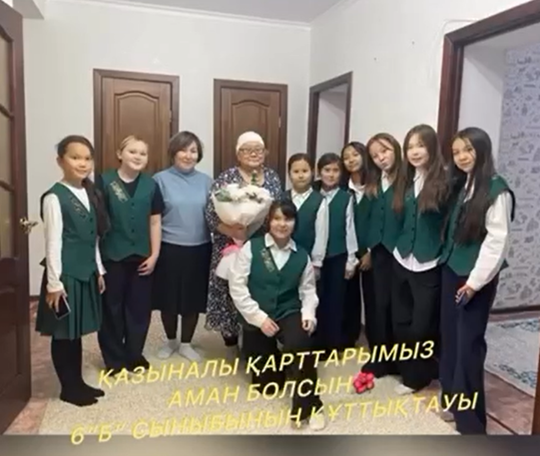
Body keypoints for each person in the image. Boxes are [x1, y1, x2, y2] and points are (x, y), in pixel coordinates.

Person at [439, 127, 515, 434]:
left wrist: (474, 282)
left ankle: (471, 424)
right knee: (450, 339)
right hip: (450, 269)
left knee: (468, 345)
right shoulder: (463, 184)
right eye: (456, 152)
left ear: (482, 150)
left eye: (467, 150)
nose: (461, 157)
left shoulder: (497, 190)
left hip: (473, 279)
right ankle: (451, 401)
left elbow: (497, 242)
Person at [228, 199, 326, 431]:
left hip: (287, 310)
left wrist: (308, 314)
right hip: (258, 313)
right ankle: (283, 363)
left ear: (295, 223)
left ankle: (311, 407)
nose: (282, 224)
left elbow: (308, 290)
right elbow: (237, 286)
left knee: (301, 345)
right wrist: (259, 318)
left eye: (288, 219)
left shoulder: (302, 256)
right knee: (267, 386)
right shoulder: (252, 248)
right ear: (268, 222)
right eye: (277, 219)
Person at [35, 135, 109, 406]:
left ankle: (77, 382)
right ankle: (68, 389)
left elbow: (93, 238)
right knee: (63, 333)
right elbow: (53, 242)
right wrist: (54, 284)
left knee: (75, 332)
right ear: (60, 161)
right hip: (65, 277)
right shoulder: (54, 197)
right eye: (75, 157)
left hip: (86, 271)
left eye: (87, 158)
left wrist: (99, 270)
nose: (83, 163)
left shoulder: (90, 192)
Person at [205, 131, 282, 347]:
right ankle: (230, 331)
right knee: (230, 286)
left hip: (263, 242)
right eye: (247, 150)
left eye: (258, 149)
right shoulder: (227, 177)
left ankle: (256, 333)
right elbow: (211, 212)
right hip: (231, 242)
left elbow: (278, 208)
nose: (254, 154)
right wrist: (234, 231)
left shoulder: (273, 177)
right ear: (238, 154)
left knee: (258, 286)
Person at [95, 135, 164, 375]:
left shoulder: (151, 185)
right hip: (112, 256)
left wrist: (155, 255)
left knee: (139, 309)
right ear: (120, 154)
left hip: (142, 257)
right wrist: (97, 263)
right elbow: (96, 222)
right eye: (132, 151)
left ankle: (134, 354)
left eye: (142, 153)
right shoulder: (104, 181)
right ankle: (114, 359)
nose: (137, 156)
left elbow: (155, 221)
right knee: (111, 309)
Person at [390, 125, 450, 394]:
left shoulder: (446, 182)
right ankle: (409, 374)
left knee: (422, 327)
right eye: (410, 147)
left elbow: (450, 224)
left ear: (432, 148)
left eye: (420, 146)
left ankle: (419, 377)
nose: (414, 152)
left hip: (428, 263)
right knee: (400, 321)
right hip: (402, 259)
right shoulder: (405, 180)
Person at [152, 131, 213, 362]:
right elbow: (154, 218)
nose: (188, 155)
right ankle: (170, 341)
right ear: (173, 153)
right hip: (168, 247)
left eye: (193, 151)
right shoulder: (159, 180)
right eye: (183, 150)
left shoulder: (207, 181)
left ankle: (186, 343)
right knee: (168, 299)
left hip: (200, 247)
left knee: (192, 299)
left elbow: (215, 216)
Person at [362, 133, 404, 377]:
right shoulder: (375, 181)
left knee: (399, 308)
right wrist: (368, 250)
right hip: (378, 252)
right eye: (375, 155)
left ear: (396, 149)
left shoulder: (408, 180)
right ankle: (379, 357)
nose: (381, 158)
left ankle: (399, 361)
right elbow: (369, 219)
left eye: (385, 151)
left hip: (401, 254)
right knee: (379, 306)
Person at [314, 153, 358, 358]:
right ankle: (314, 342)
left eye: (335, 170)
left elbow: (350, 229)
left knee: (335, 301)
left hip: (337, 256)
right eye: (327, 170)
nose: (331, 175)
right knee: (316, 299)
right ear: (319, 172)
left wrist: (351, 259)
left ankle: (332, 345)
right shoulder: (313, 194)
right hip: (314, 256)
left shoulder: (346, 197)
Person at [340, 141, 376, 350]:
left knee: (373, 298)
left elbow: (380, 222)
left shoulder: (376, 185)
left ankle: (375, 341)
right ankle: (348, 337)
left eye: (355, 155)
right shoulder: (342, 189)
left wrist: (370, 252)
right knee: (348, 296)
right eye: (346, 157)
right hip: (348, 252)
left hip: (372, 252)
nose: (351, 160)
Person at [283, 153, 328, 278]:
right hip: (282, 256)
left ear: (312, 172)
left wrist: (317, 262)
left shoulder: (319, 200)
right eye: (296, 171)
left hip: (308, 258)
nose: (301, 175)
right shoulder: (282, 198)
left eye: (305, 171)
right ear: (289, 174)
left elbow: (321, 233)